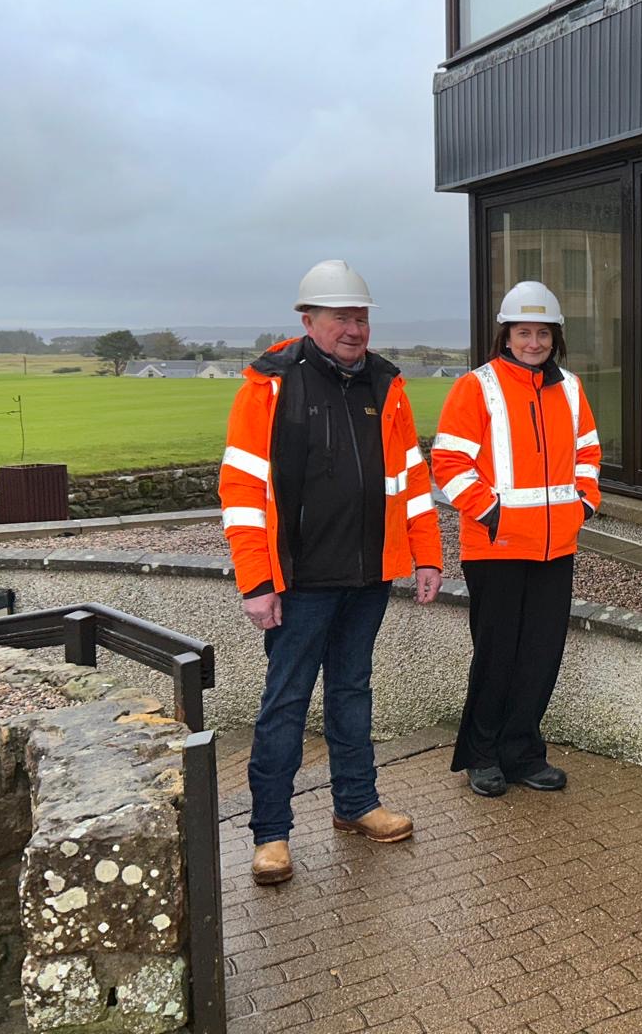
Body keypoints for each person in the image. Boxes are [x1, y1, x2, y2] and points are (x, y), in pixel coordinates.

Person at [219, 259, 444, 886]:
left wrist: (426, 555)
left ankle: (357, 804)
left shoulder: (385, 385)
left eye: (362, 316)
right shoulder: (269, 387)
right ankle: (271, 835)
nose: (354, 328)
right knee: (285, 703)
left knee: (352, 692)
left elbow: (411, 483)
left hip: (369, 576)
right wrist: (256, 582)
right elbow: (241, 490)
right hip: (300, 583)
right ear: (308, 319)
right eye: (342, 316)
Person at [430, 281, 602, 798]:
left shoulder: (570, 387)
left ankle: (523, 753)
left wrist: (583, 506)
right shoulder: (475, 386)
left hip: (556, 547)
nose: (533, 342)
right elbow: (449, 463)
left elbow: (588, 455)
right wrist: (495, 516)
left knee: (541, 656)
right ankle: (481, 756)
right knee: (497, 656)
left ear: (555, 337)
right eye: (523, 332)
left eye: (542, 332)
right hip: (497, 547)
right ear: (506, 335)